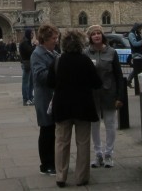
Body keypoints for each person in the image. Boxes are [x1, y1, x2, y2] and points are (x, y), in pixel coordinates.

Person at [49, 29, 102, 187]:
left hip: (62, 107)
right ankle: (81, 177)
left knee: (61, 143)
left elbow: (49, 83)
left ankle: (60, 176)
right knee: (83, 143)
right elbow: (97, 83)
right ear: (80, 44)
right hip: (83, 107)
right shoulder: (86, 61)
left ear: (63, 44)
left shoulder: (57, 61)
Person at [85, 25, 123, 169]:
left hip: (109, 93)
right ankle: (98, 154)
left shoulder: (112, 52)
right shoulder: (86, 53)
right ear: (90, 37)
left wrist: (120, 97)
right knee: (94, 126)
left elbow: (119, 76)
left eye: (99, 33)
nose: (96, 36)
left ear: (102, 35)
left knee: (110, 125)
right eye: (94, 34)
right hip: (92, 95)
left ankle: (108, 154)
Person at [30, 23, 59, 176]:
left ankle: (52, 162)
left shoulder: (52, 53)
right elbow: (40, 76)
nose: (56, 40)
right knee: (46, 131)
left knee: (51, 131)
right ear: (45, 39)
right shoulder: (38, 54)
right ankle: (46, 165)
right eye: (54, 38)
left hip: (52, 97)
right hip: (44, 98)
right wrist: (57, 72)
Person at [19, 28, 35, 106]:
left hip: (29, 63)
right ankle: (25, 99)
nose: (33, 35)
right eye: (32, 33)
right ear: (28, 34)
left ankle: (30, 97)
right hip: (27, 64)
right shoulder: (25, 42)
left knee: (31, 81)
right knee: (26, 82)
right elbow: (31, 51)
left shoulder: (27, 41)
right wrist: (35, 45)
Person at [125, 23, 142, 88]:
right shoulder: (132, 34)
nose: (140, 29)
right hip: (136, 54)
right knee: (137, 69)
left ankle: (129, 81)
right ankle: (129, 81)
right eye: (139, 28)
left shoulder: (137, 33)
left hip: (139, 53)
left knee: (136, 69)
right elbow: (134, 44)